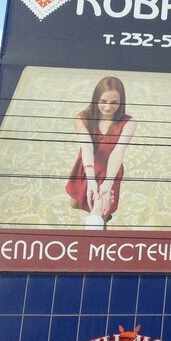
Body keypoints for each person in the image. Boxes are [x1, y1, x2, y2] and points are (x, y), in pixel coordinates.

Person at [65, 76, 137, 229]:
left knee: (101, 210)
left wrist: (108, 183)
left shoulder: (129, 122)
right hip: (87, 165)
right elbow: (87, 147)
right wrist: (91, 180)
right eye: (103, 101)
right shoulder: (82, 118)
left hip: (110, 170)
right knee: (75, 202)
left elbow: (118, 151)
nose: (108, 107)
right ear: (95, 99)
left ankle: (101, 221)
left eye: (114, 102)